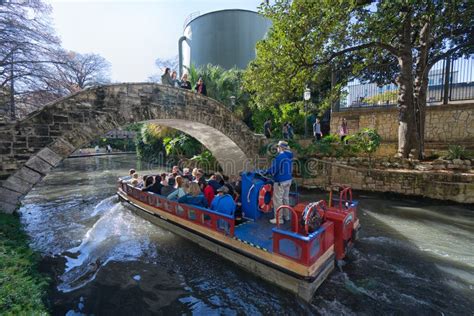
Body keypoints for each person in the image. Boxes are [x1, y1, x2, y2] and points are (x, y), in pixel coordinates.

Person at [266, 140, 293, 224]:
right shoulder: (289, 156)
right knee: (285, 198)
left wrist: (267, 171)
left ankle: (279, 219)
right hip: (288, 180)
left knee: (278, 199)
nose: (277, 148)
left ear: (281, 148)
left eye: (278, 147)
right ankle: (287, 216)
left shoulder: (280, 157)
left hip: (280, 181)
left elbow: (274, 169)